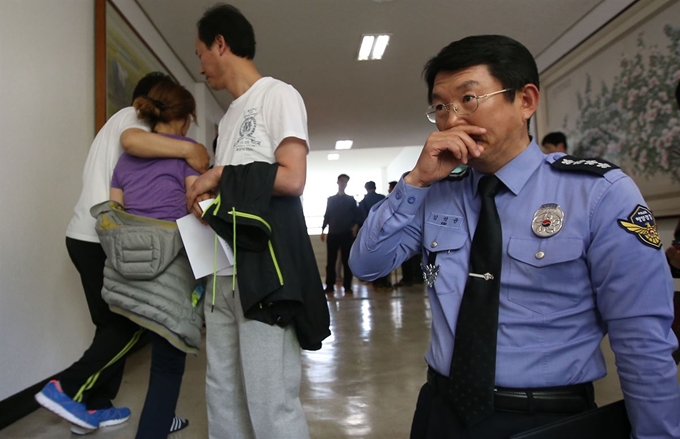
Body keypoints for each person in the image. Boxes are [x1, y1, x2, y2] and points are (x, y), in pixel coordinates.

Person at [349, 34, 680, 438]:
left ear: (525, 101)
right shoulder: (436, 192)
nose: (452, 120)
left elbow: (642, 341)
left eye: (469, 99)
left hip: (547, 419)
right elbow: (366, 264)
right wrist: (415, 181)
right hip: (440, 413)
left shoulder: (598, 193)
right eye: (440, 106)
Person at [35, 72, 209, 435]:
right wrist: (192, 150)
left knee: (116, 322)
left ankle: (91, 408)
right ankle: (67, 388)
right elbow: (136, 145)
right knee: (132, 322)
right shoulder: (133, 121)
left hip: (95, 234)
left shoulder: (128, 129)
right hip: (108, 239)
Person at [186, 4, 330, 438]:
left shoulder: (277, 94)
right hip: (222, 267)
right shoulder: (228, 116)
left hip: (263, 272)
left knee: (270, 398)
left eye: (200, 53)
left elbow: (292, 177)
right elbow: (239, 193)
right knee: (222, 389)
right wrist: (206, 197)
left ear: (220, 44)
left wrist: (218, 174)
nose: (201, 65)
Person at [98, 81, 202, 438]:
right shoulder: (187, 152)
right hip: (172, 269)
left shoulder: (125, 160)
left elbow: (116, 211)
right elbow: (197, 206)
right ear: (185, 119)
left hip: (127, 273)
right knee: (168, 364)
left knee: (123, 341)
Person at [320, 174, 360, 293]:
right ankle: (330, 285)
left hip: (346, 233)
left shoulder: (351, 200)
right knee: (331, 261)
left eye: (345, 181)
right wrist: (323, 230)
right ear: (338, 182)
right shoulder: (331, 199)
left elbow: (356, 216)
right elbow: (327, 215)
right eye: (341, 181)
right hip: (333, 233)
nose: (343, 183)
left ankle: (347, 286)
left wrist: (355, 227)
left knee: (346, 261)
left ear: (347, 184)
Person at [358, 181, 391, 290]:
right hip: (384, 231)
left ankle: (376, 282)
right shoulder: (383, 198)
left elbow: (362, 218)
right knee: (385, 255)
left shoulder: (363, 202)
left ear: (366, 188)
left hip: (370, 233)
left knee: (373, 257)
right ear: (375, 187)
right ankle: (385, 281)